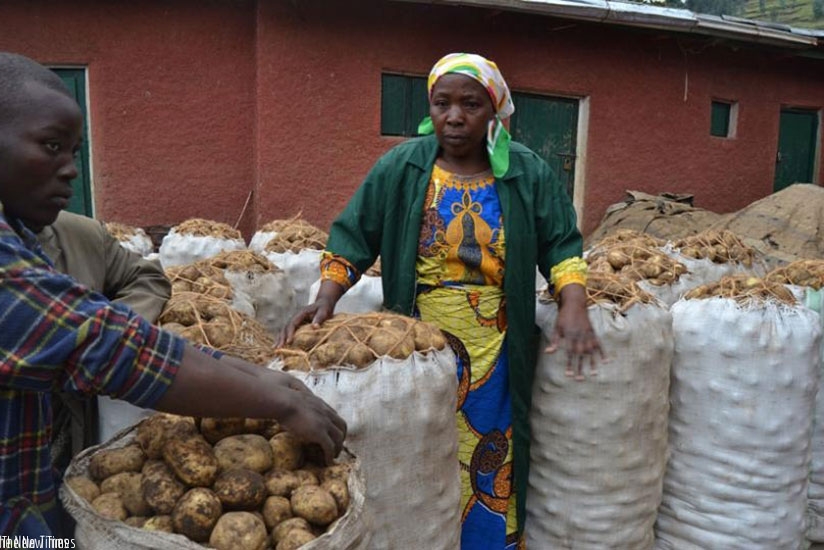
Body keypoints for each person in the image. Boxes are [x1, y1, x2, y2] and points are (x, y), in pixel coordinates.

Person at [0, 51, 347, 539]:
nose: (71, 170)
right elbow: (106, 345)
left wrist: (258, 376)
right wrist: (274, 400)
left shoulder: (27, 235)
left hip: (30, 509)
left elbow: (116, 324)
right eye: (51, 146)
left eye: (74, 152)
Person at [280, 53, 601, 549]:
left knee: (489, 448)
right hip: (418, 342)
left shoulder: (525, 172)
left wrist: (574, 304)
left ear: (495, 112)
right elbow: (353, 235)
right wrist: (326, 296)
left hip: (496, 345)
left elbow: (561, 243)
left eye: (470, 104)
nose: (454, 116)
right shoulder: (402, 166)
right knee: (421, 448)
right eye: (442, 103)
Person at [35, 210, 173, 476]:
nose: (69, 172)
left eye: (70, 164)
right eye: (53, 164)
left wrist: (108, 331)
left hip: (67, 430)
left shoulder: (81, 234)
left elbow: (146, 278)